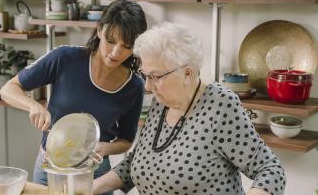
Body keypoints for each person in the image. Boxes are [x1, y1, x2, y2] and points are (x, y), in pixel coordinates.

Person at [93, 22, 286, 195]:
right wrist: (90, 188)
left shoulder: (220, 105)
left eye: (156, 77)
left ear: (187, 73)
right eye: (145, 76)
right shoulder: (162, 102)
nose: (148, 87)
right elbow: (139, 161)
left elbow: (270, 169)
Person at [0, 0, 147, 195]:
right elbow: (8, 89)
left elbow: (126, 140)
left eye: (126, 46)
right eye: (111, 41)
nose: (115, 52)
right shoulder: (65, 58)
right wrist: (33, 105)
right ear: (100, 30)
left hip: (96, 174)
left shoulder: (134, 86)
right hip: (50, 170)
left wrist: (104, 148)